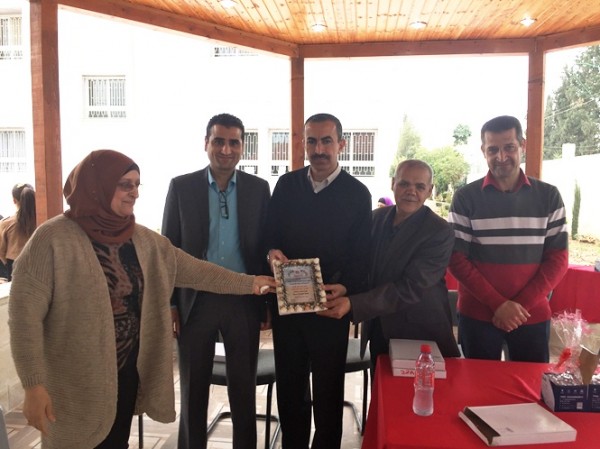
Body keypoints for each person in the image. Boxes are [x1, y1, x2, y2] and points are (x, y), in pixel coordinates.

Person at [8, 149, 275, 449]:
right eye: (125, 185)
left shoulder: (142, 240)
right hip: (74, 381)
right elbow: (23, 318)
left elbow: (197, 271)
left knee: (116, 442)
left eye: (137, 185)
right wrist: (33, 385)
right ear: (97, 186)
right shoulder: (52, 239)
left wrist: (251, 283)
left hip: (125, 372)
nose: (134, 192)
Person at [162, 113, 271, 449]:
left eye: (234, 142)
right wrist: (170, 303)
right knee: (193, 389)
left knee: (243, 390)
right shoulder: (182, 187)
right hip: (195, 301)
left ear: (242, 147)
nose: (226, 149)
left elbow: (265, 246)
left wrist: (266, 303)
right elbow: (168, 249)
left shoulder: (258, 189)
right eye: (219, 141)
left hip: (243, 299)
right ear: (206, 143)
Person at [265, 113, 371, 449]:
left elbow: (362, 254)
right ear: (303, 144)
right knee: (290, 387)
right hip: (289, 307)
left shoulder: (357, 193)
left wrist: (347, 288)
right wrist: (271, 253)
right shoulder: (286, 185)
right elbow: (269, 236)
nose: (319, 149)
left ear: (341, 144)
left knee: (328, 392)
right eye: (312, 141)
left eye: (327, 141)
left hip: (330, 307)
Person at [447, 115, 568, 362]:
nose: (501, 156)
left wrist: (518, 307)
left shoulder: (549, 196)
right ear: (483, 150)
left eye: (509, 147)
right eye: (493, 149)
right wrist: (498, 304)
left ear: (522, 145)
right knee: (478, 384)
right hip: (477, 315)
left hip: (530, 315)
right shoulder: (465, 198)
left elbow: (558, 260)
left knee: (530, 385)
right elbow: (456, 259)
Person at [320, 160, 461, 372]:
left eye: (420, 186)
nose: (411, 191)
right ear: (393, 183)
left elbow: (412, 287)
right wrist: (346, 287)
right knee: (381, 388)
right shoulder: (375, 218)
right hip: (378, 327)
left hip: (419, 332)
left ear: (430, 190)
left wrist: (353, 304)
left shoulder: (439, 231)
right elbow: (363, 266)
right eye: (404, 184)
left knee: (418, 392)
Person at [0, 183, 36, 281]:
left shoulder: (6, 223)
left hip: (15, 266)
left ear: (14, 200)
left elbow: (1, 251)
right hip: (41, 265)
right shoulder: (44, 219)